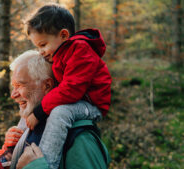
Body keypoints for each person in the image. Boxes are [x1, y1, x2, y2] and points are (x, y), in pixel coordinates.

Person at [24, 3, 112, 169]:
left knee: (59, 112)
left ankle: (47, 164)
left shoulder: (80, 50)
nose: (41, 52)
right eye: (37, 47)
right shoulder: (59, 54)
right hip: (78, 101)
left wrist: (39, 112)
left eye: (43, 45)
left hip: (92, 105)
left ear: (64, 35)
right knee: (36, 106)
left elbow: (71, 89)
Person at [9, 50, 110, 169]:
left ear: (47, 85)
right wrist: (9, 151)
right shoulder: (31, 124)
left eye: (20, 85)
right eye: (13, 87)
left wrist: (34, 167)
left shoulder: (80, 139)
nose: (13, 95)